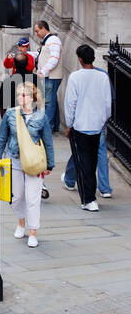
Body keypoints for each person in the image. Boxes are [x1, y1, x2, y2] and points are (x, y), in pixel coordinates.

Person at [0, 80, 54, 247]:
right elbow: (1, 138)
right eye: (19, 95)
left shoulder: (41, 116)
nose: (21, 98)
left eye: (24, 95)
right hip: (15, 159)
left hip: (34, 162)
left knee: (32, 198)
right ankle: (21, 222)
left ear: (32, 97)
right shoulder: (11, 115)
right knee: (16, 197)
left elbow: (48, 141)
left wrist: (50, 164)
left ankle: (33, 231)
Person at [63, 44, 112, 212]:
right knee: (92, 161)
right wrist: (102, 120)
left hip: (80, 126)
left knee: (83, 163)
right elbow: (107, 104)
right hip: (97, 126)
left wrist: (69, 124)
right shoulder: (103, 77)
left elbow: (70, 103)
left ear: (80, 59)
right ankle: (91, 197)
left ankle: (88, 199)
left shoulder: (75, 77)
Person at [33, 20, 63, 134]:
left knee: (48, 102)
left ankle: (48, 127)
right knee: (51, 100)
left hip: (51, 76)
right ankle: (53, 125)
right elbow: (44, 56)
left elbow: (54, 58)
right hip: (49, 75)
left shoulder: (53, 40)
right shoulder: (47, 41)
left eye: (37, 31)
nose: (36, 34)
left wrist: (43, 71)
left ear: (43, 28)